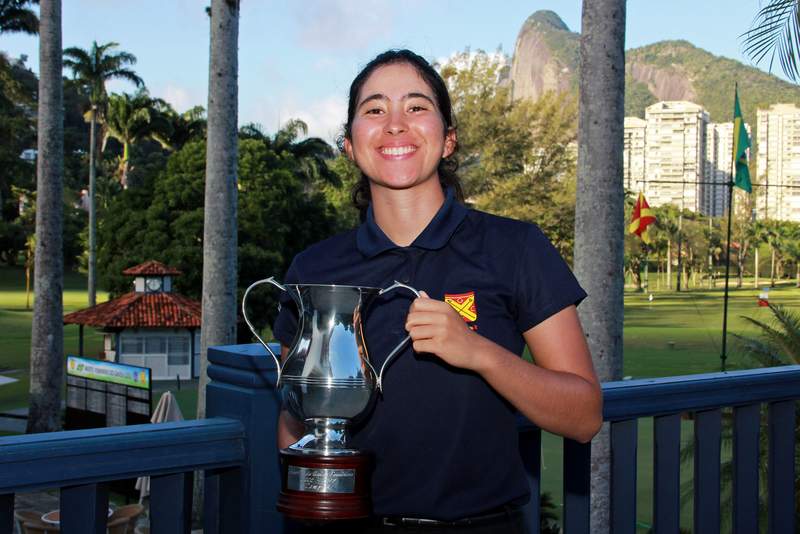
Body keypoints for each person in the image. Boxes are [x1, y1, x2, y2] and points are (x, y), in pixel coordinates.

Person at [273, 49, 602, 533]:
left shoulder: (515, 247)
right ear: (349, 144)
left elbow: (584, 415)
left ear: (448, 140)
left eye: (417, 106)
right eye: (375, 109)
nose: (395, 124)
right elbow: (294, 418)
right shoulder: (315, 267)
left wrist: (478, 352)